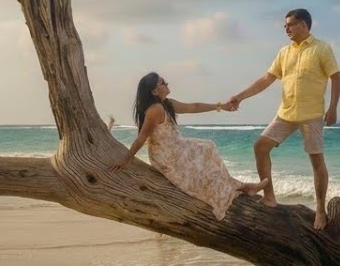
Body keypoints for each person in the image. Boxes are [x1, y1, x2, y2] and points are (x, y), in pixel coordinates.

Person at [227, 8, 340, 229]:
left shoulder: (321, 48)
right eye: (285, 25)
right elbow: (266, 79)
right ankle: (269, 197)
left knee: (316, 160)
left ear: (303, 25)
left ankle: (320, 210)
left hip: (311, 114)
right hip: (286, 113)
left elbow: (336, 77)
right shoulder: (284, 52)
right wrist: (240, 97)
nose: (286, 28)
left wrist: (333, 107)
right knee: (260, 146)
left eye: (290, 24)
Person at [113, 72, 268, 221]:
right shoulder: (155, 110)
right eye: (163, 83)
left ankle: (240, 187)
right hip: (166, 157)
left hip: (177, 149)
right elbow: (141, 138)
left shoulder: (167, 104)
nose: (167, 84)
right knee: (207, 149)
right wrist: (126, 160)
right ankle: (239, 188)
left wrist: (222, 106)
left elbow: (194, 107)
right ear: (154, 91)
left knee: (208, 149)